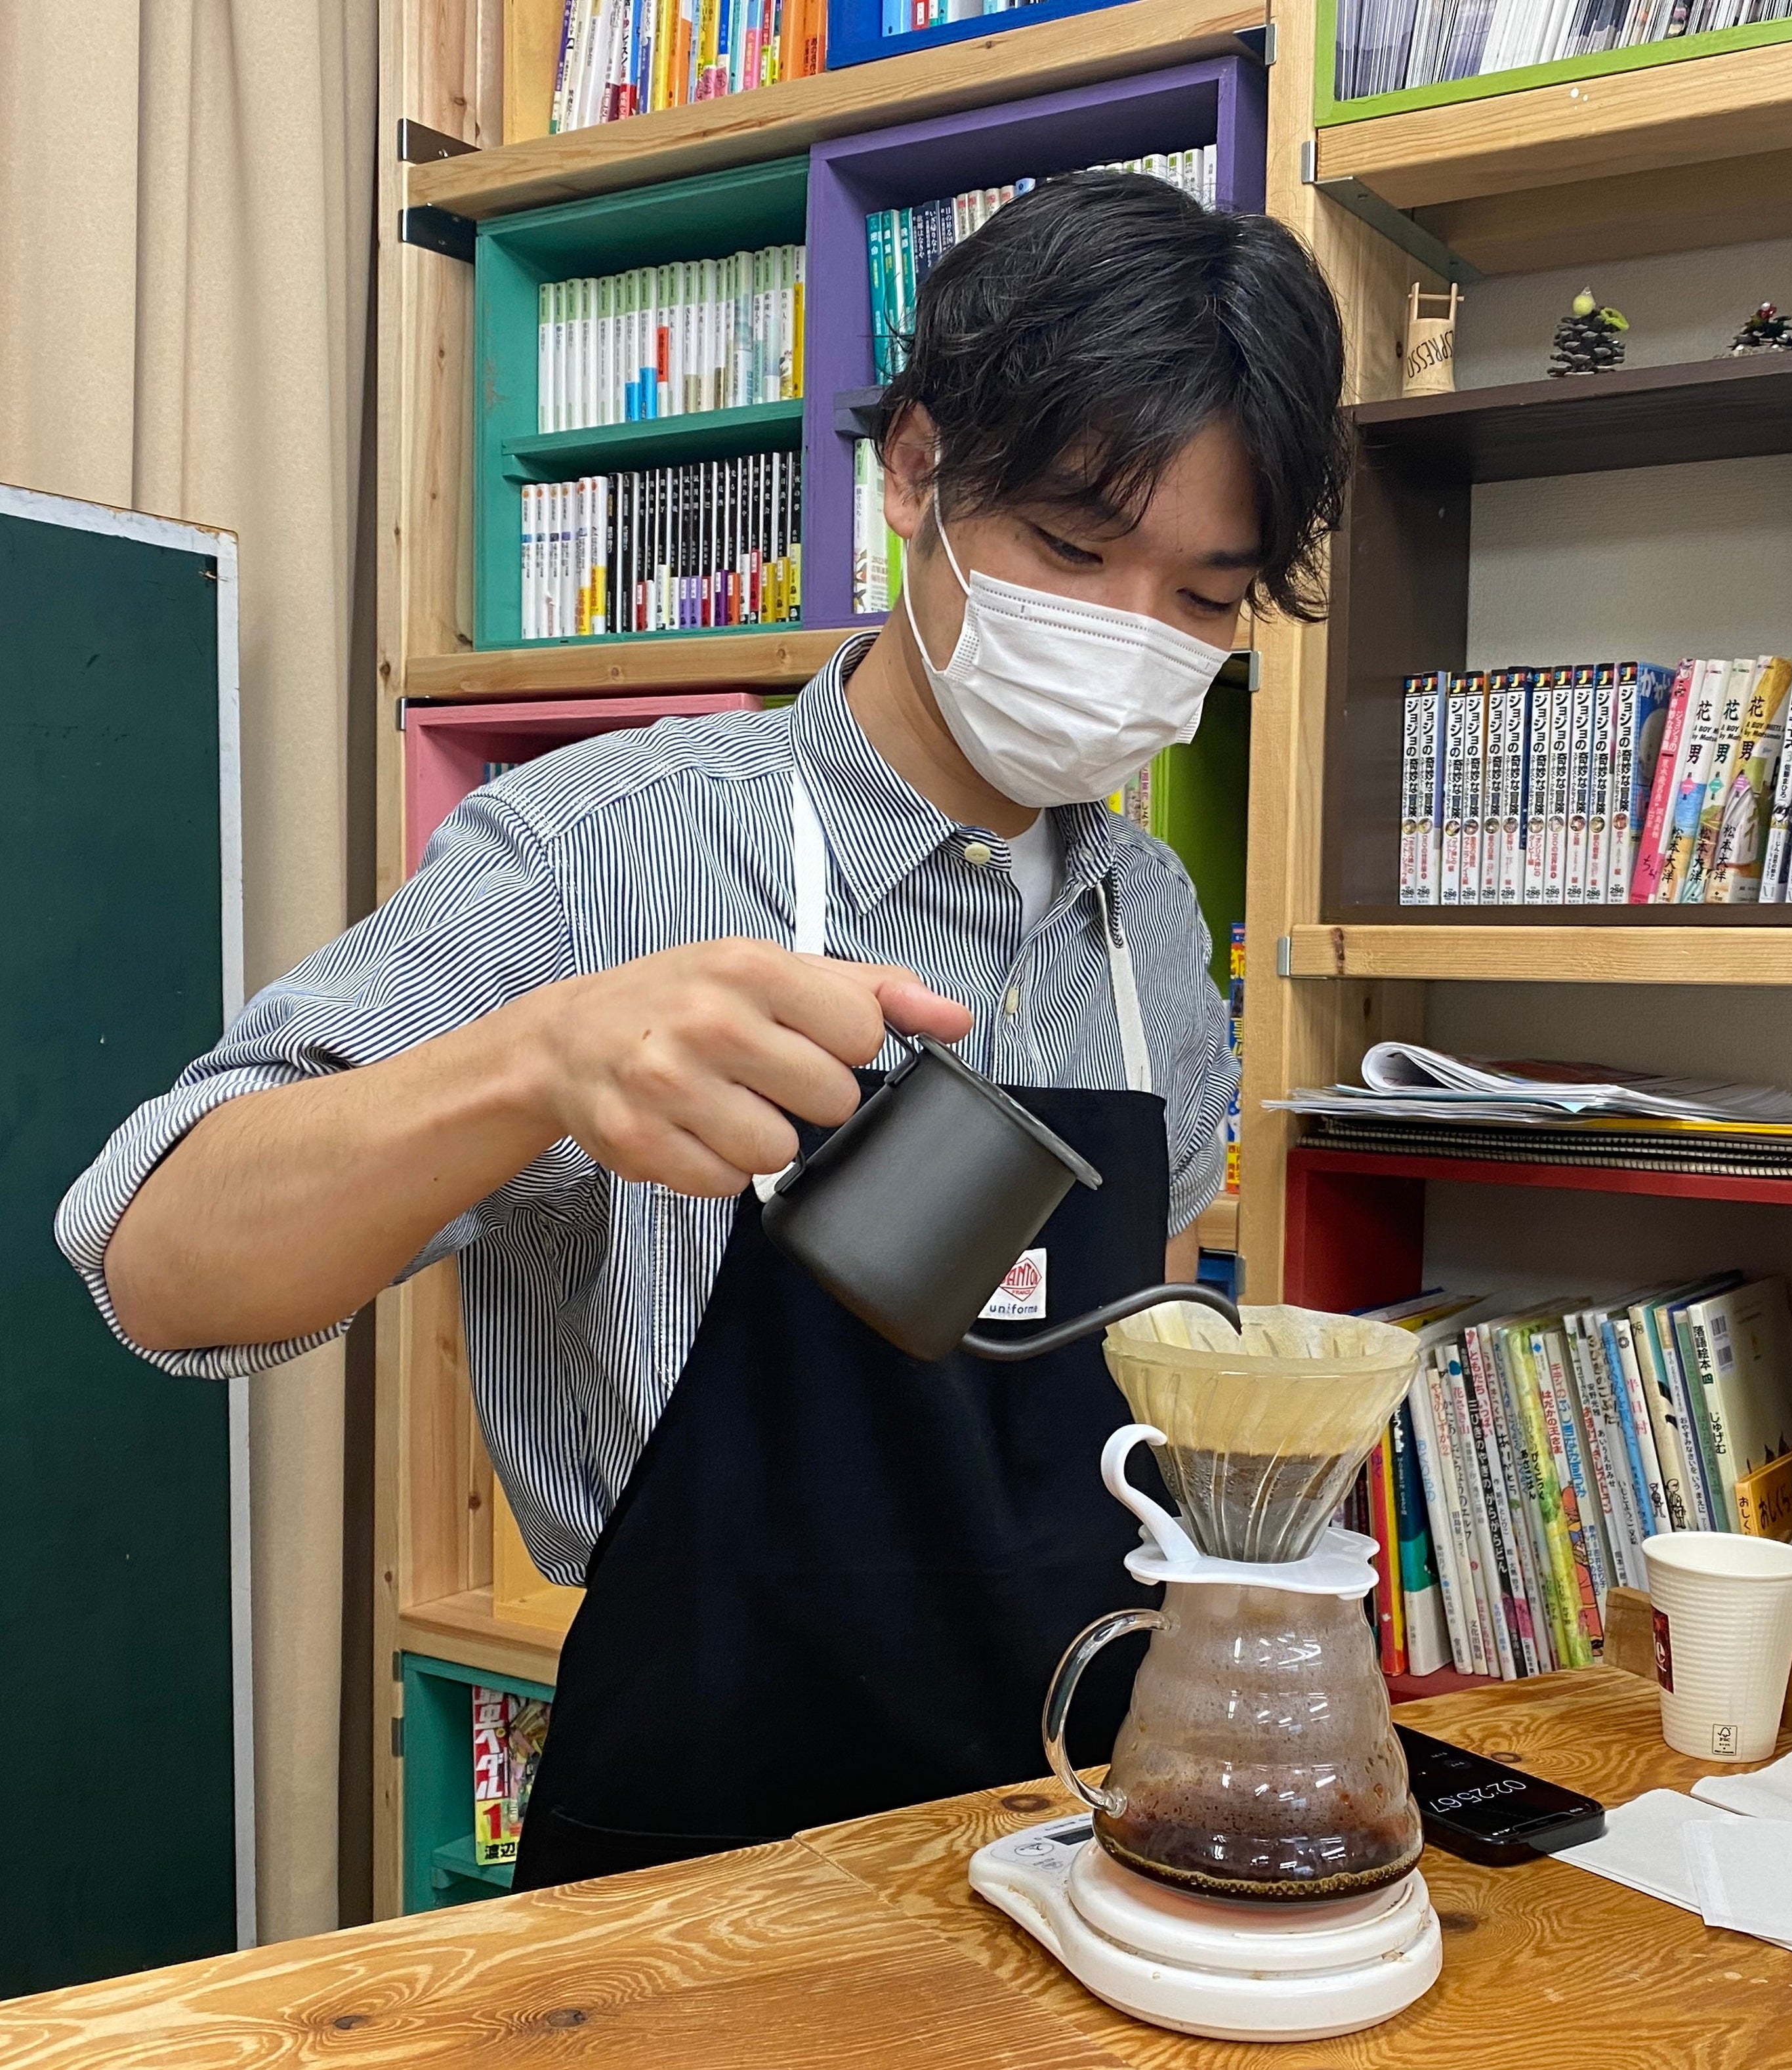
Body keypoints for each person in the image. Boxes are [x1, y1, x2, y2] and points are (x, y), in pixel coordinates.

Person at [58, 171, 1348, 1887]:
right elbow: (154, 1258)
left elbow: (1124, 1397)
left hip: (1071, 1823)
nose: (1125, 637)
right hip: (701, 1841)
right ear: (914, 469)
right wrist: (536, 1060)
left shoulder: (1154, 922)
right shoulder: (602, 846)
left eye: (1200, 598)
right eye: (1067, 548)